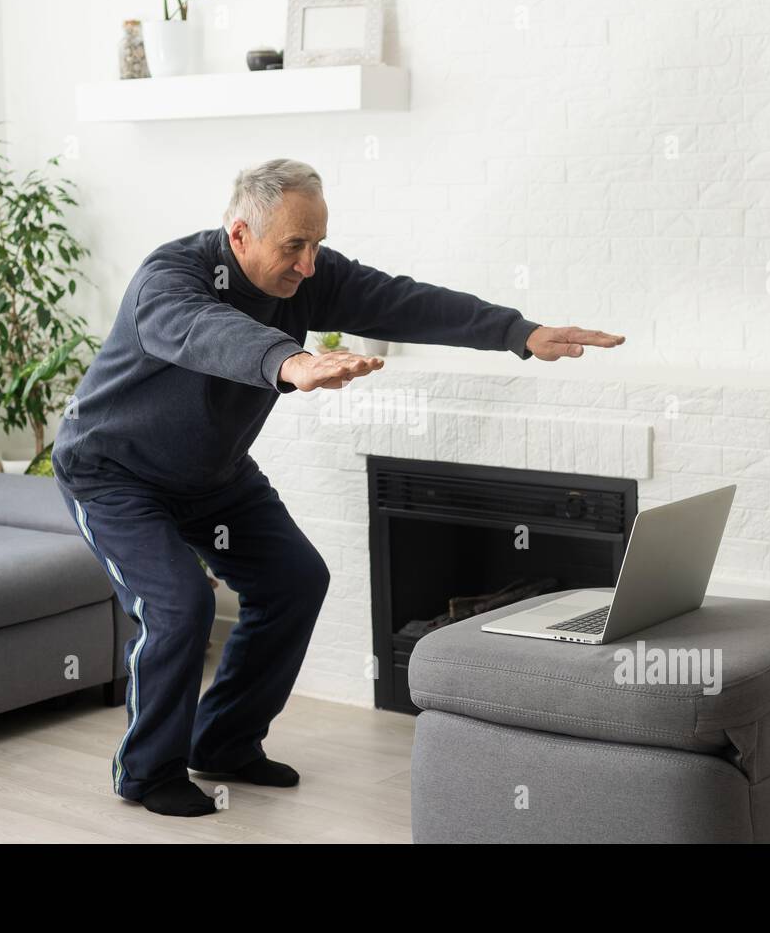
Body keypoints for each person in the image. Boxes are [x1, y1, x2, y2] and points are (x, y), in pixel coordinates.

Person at [52, 158, 625, 817]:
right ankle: (147, 772)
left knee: (295, 582)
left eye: (316, 242)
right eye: (293, 245)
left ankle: (225, 743)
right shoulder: (172, 278)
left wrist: (518, 333)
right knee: (180, 607)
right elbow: (204, 333)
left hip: (213, 477)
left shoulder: (304, 278)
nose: (309, 262)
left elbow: (401, 300)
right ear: (239, 235)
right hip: (115, 474)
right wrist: (290, 361)